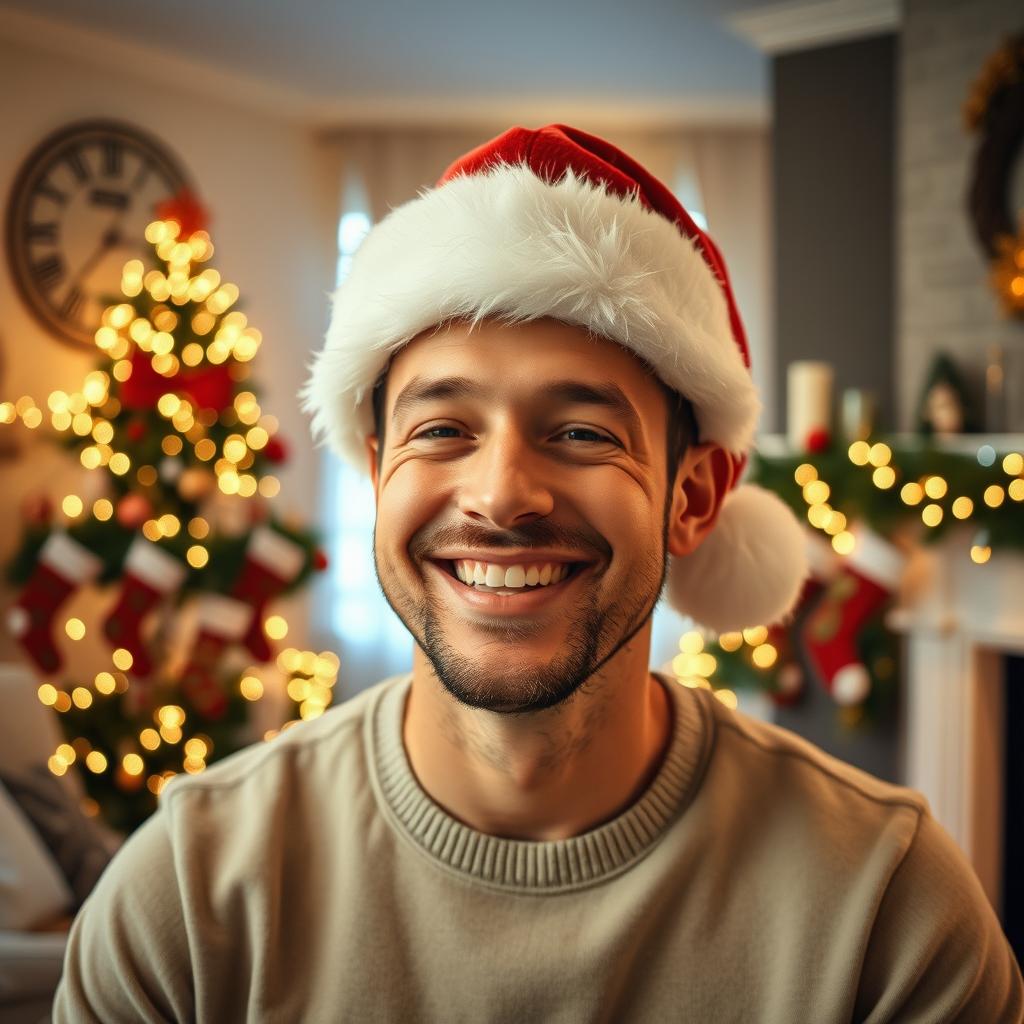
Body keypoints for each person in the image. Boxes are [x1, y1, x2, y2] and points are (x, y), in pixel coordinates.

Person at [53, 124, 1023, 1023]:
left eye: (581, 432)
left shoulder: (887, 911)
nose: (501, 495)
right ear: (378, 467)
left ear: (693, 497)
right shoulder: (183, 898)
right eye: (441, 428)